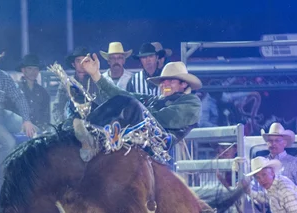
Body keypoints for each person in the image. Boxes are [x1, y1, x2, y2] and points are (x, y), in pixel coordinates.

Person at [74, 57, 202, 161]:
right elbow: (120, 94)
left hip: (160, 143)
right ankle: (88, 131)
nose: (165, 84)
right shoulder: (154, 100)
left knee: (131, 104)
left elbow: (165, 118)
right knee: (119, 100)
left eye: (171, 81)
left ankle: (100, 136)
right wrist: (96, 75)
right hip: (141, 134)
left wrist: (138, 109)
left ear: (184, 84)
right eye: (163, 81)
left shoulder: (191, 102)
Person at [52, 46, 106, 124]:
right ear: (73, 64)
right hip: (72, 126)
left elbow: (105, 105)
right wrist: (62, 124)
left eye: (85, 61)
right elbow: (57, 107)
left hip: (95, 125)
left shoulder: (97, 81)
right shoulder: (67, 83)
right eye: (78, 61)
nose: (82, 64)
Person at [262, 123, 297, 202]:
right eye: (270, 140)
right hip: (264, 209)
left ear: (284, 143)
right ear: (267, 143)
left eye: (277, 140)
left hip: (290, 211)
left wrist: (287, 198)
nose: (273, 143)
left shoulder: (296, 163)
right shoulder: (262, 162)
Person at [17, 54, 50, 133]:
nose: (33, 72)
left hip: (38, 132)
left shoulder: (43, 92)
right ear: (23, 70)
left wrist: (43, 129)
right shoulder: (15, 90)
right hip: (19, 130)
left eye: (36, 69)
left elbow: (46, 116)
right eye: (30, 69)